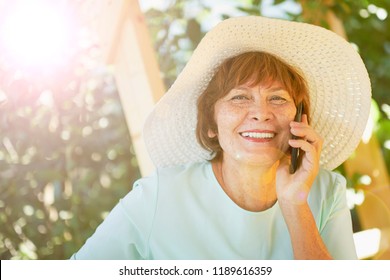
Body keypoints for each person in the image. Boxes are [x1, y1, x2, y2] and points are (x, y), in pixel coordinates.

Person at [71, 16, 371, 259]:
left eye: (278, 99)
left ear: (300, 118)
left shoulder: (326, 189)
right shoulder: (160, 195)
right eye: (240, 97)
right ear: (211, 123)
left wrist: (295, 204)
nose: (260, 113)